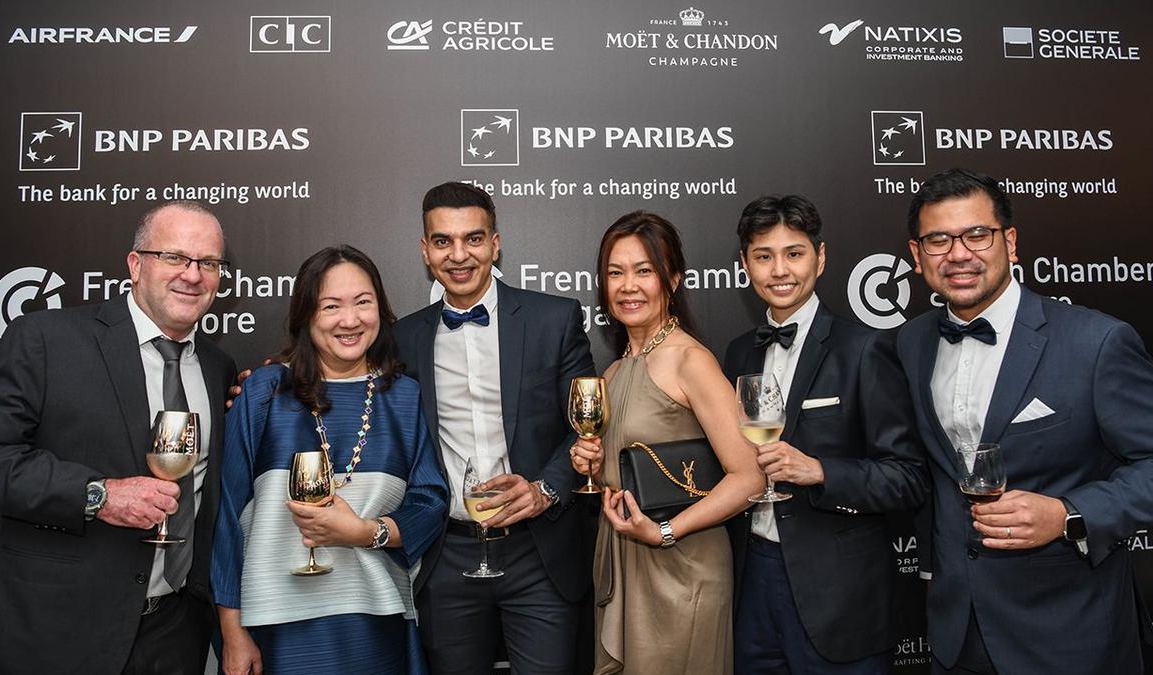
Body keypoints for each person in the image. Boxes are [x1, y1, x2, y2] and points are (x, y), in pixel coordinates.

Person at [897, 168, 1153, 674]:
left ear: (1010, 242)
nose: (958, 254)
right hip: (955, 631)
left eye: (977, 234)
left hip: (1069, 631)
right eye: (938, 240)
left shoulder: (1096, 343)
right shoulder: (911, 342)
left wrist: (1068, 514)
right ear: (917, 256)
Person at [0, 201, 236, 674]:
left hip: (175, 635)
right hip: (56, 633)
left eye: (208, 263)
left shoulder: (217, 367)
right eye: (174, 257)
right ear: (135, 265)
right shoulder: (44, 339)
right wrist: (97, 495)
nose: (192, 275)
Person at [212, 245, 448, 675]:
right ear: (306, 315)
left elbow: (430, 502)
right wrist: (231, 630)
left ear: (381, 309)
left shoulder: (404, 396)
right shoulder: (265, 391)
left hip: (375, 623)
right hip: (276, 627)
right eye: (331, 306)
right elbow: (225, 514)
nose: (350, 320)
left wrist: (365, 532)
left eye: (363, 302)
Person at [392, 182, 596, 674]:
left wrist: (545, 490)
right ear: (425, 250)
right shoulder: (403, 338)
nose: (459, 255)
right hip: (447, 555)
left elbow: (587, 425)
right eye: (443, 241)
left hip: (539, 552)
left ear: (495, 244)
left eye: (474, 238)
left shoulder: (554, 319)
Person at [722, 195, 928, 674]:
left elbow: (908, 478)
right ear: (745, 266)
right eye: (763, 256)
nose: (779, 270)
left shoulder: (864, 348)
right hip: (752, 580)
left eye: (794, 253)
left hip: (840, 594)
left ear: (820, 257)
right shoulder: (737, 354)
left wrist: (819, 471)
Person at [570, 210, 763, 674]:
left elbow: (750, 478)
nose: (628, 286)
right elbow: (632, 465)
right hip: (624, 561)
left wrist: (664, 532)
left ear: (672, 280)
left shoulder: (690, 361)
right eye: (615, 273)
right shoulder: (613, 372)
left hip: (683, 568)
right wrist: (590, 463)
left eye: (644, 271)